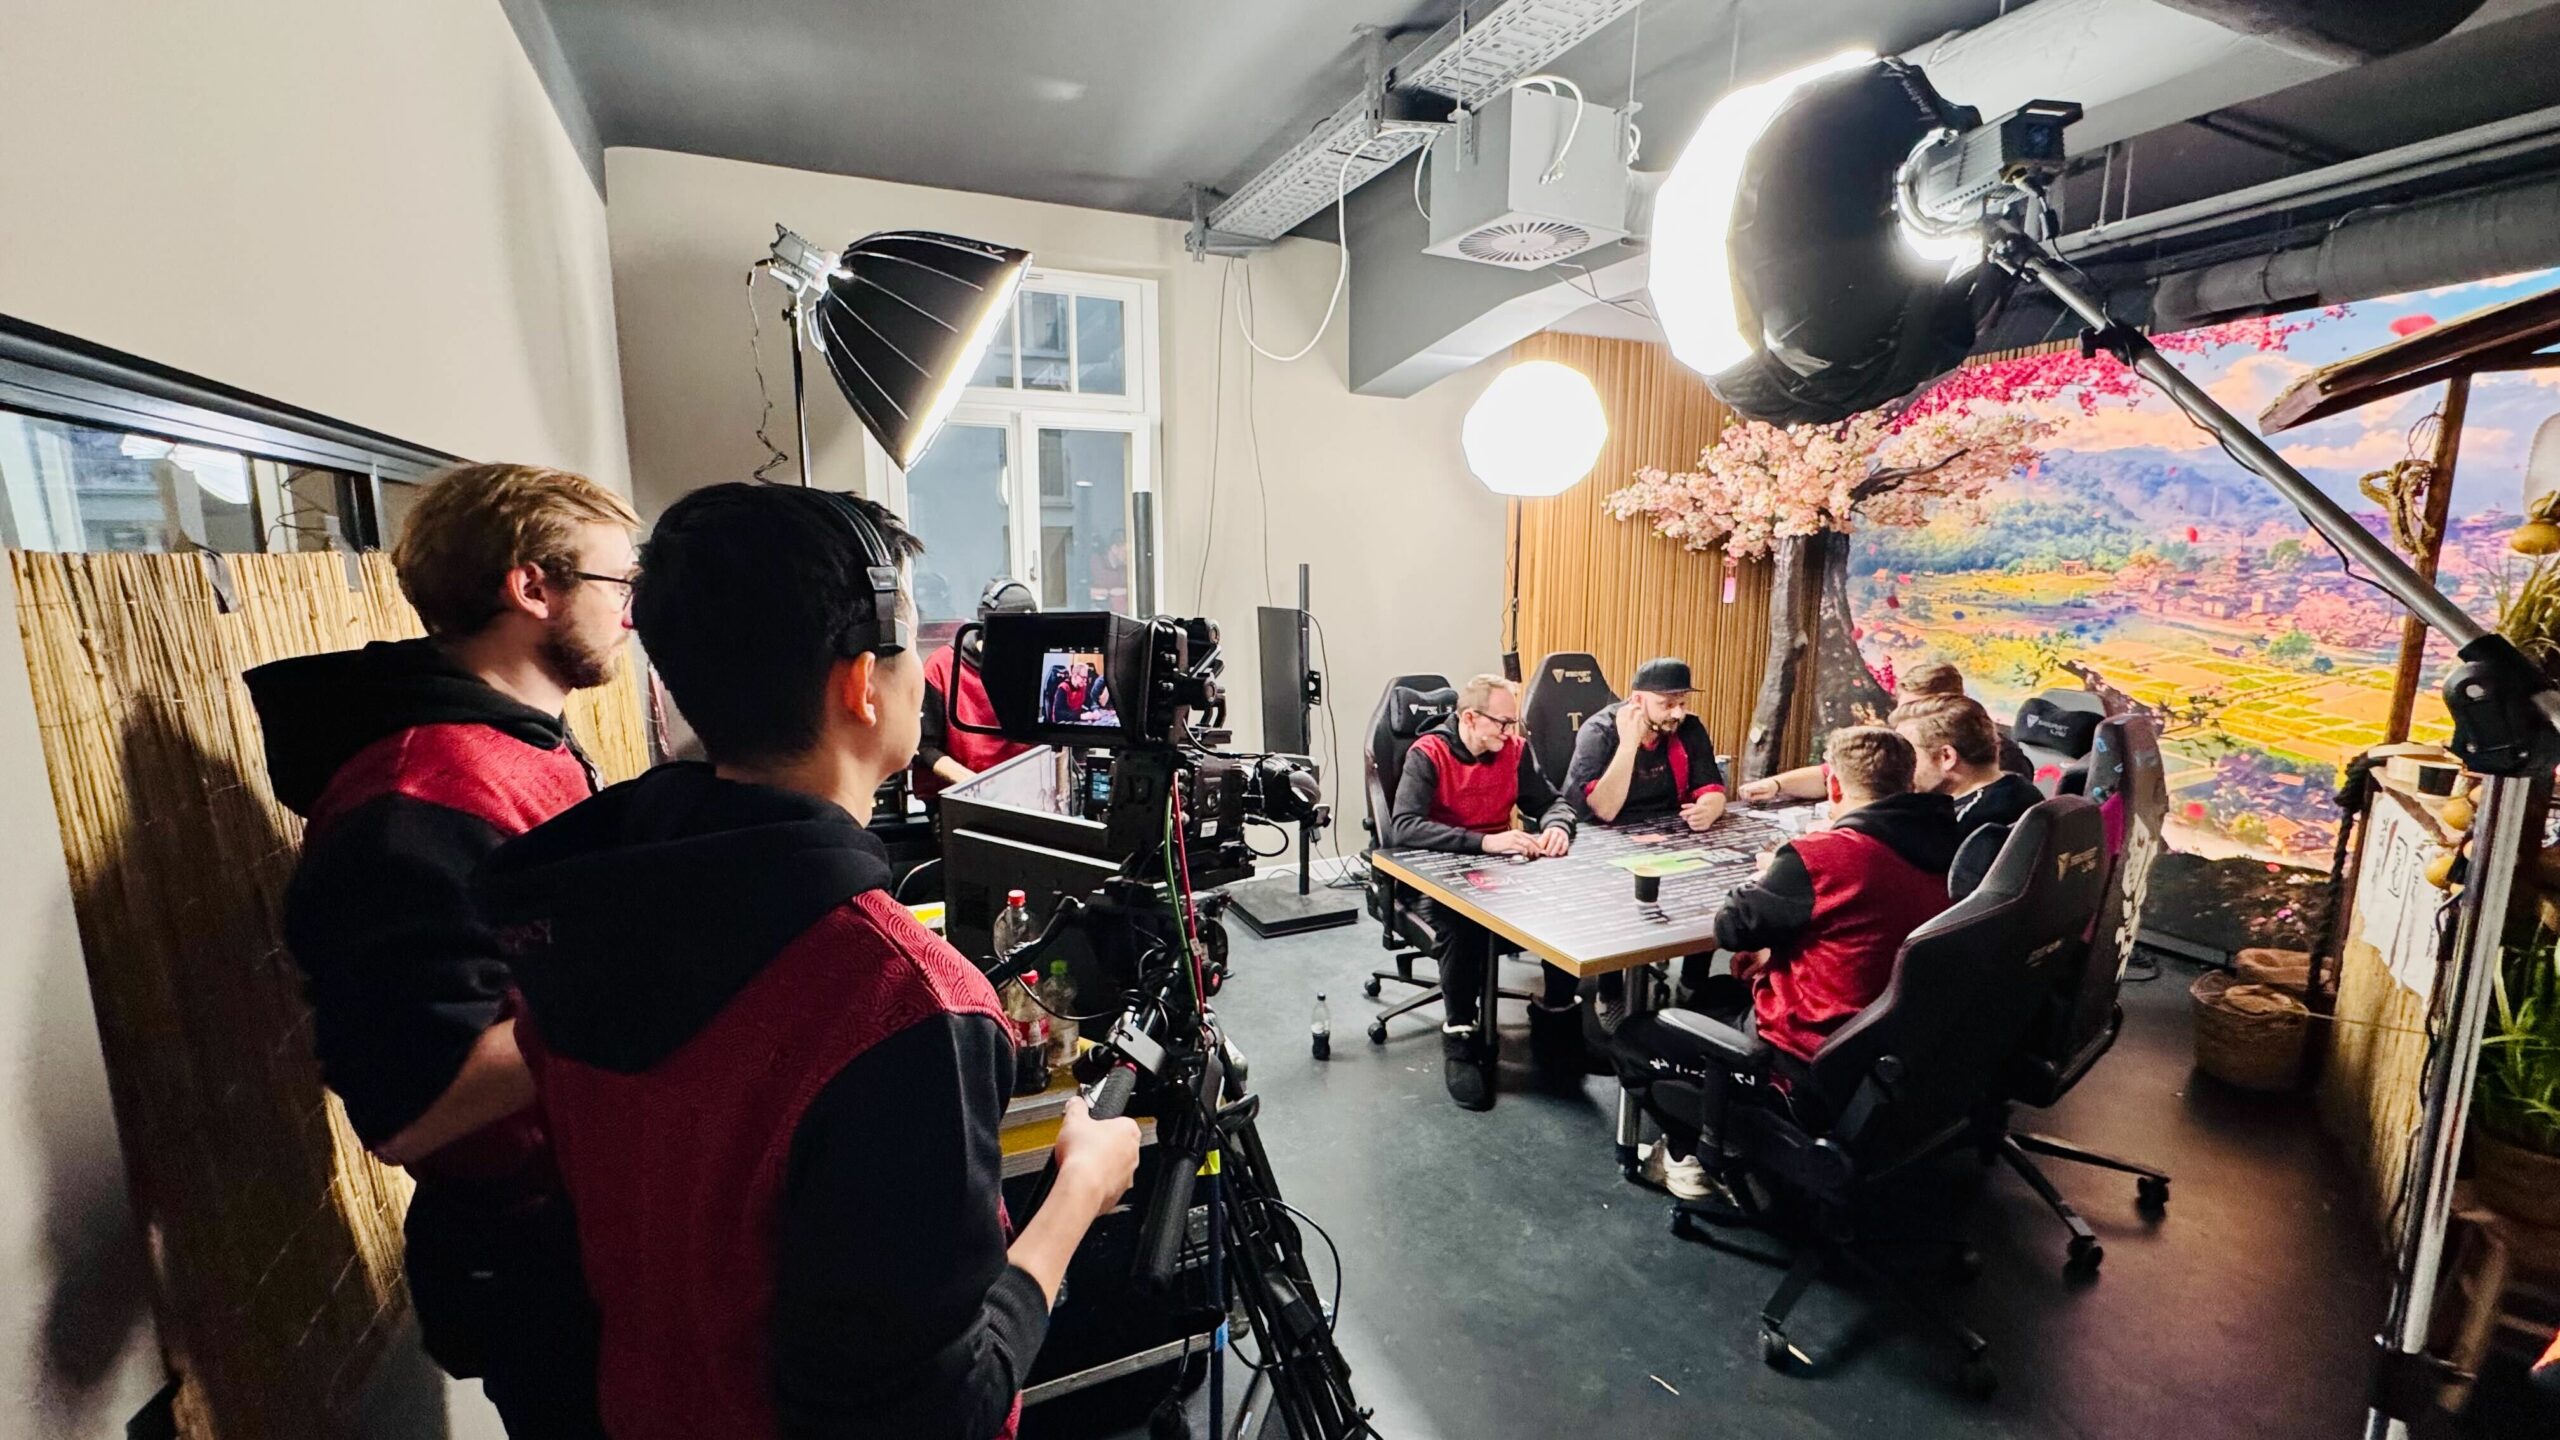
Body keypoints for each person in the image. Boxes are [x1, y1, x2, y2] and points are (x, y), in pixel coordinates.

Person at [480, 483, 1141, 1440]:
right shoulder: (904, 1003)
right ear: (862, 684)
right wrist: (1080, 1191)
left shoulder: (580, 908)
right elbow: (937, 1411)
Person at [244, 462, 641, 1437]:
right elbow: (409, 1112)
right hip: (539, 1260)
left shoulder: (523, 743)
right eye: (619, 583)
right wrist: (651, 980)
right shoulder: (419, 797)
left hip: (597, 1225)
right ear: (532, 586)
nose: (633, 612)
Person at [1627, 726, 1958, 1200]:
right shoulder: (1946, 840)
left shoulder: (1827, 855)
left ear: (1835, 786)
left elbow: (1731, 927)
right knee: (1716, 995)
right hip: (1888, 1049)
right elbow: (1856, 926)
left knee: (1634, 1039)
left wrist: (1772, 871)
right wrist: (1773, 951)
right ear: (1908, 782)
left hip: (1806, 1061)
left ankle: (1693, 1161)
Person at [1385, 674, 1580, 1111]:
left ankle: (1556, 1016)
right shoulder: (1428, 754)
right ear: (1470, 718)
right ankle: (1459, 1035)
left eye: (1514, 724)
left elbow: (1552, 802)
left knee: (1562, 905)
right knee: (1462, 925)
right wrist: (1485, 842)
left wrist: (1556, 826)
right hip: (1437, 873)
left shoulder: (1514, 751)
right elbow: (1404, 827)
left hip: (1499, 865)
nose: (1510, 733)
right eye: (1503, 723)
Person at [1737, 660, 2031, 802]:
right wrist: (1776, 785)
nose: (1904, 719)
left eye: (1919, 710)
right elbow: (1840, 773)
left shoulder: (1998, 773)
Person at [1893, 694, 2043, 896]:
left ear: (1947, 757)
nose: (1902, 765)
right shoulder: (2021, 790)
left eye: (1909, 755)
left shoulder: (1964, 828)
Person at [1564, 657, 1728, 830]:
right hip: (1602, 829)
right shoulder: (1599, 731)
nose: (1678, 714)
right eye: (1667, 705)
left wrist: (1708, 810)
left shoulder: (1689, 727)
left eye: (1682, 703)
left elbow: (1712, 790)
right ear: (1637, 701)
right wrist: (1628, 745)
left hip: (1667, 824)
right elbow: (1605, 811)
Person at [914, 578, 1038, 802]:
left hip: (1029, 792)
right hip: (965, 794)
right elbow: (924, 747)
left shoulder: (1039, 663)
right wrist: (978, 786)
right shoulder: (941, 667)